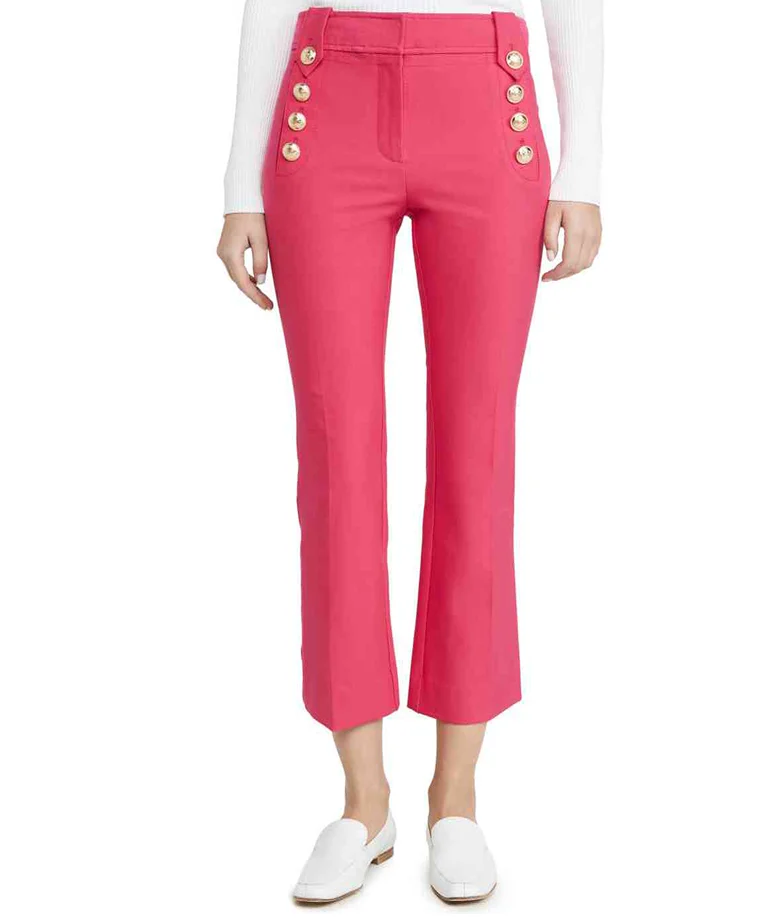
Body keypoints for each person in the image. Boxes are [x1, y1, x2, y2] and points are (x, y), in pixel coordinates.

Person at [217, 0, 602, 905]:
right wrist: (240, 185)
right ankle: (363, 801)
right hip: (328, 99)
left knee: (477, 455)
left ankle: (455, 798)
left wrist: (583, 168)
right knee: (336, 460)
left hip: (485, 99)